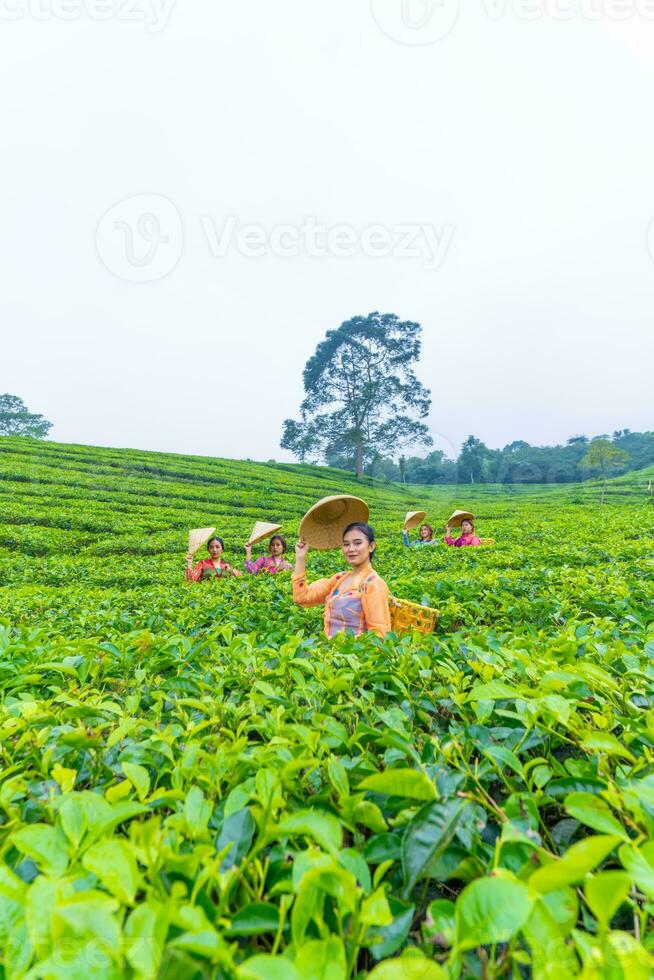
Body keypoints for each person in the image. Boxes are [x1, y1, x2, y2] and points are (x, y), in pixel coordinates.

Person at [292, 522, 391, 638]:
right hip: (329, 652)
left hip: (354, 654)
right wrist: (300, 557)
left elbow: (380, 634)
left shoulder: (373, 584)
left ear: (371, 546)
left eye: (357, 543)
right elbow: (302, 598)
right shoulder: (339, 579)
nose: (351, 549)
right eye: (346, 544)